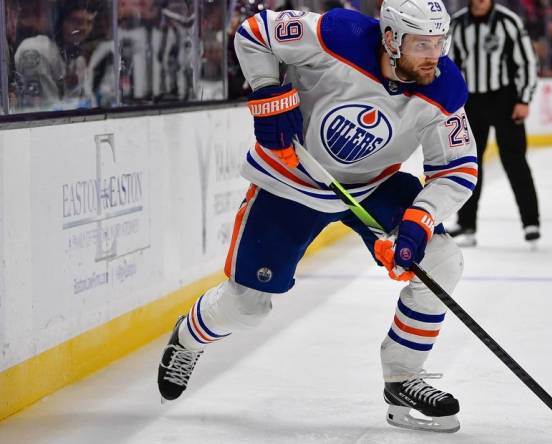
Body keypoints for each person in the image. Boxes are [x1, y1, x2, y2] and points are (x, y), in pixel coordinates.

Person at [157, 0, 478, 433]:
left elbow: (457, 168)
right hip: (289, 180)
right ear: (391, 38)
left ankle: (403, 375)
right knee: (247, 307)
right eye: (423, 43)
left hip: (373, 187)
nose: (434, 54)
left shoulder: (443, 87)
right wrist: (267, 89)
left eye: (440, 42)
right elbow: (254, 32)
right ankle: (190, 337)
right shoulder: (337, 36)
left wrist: (420, 219)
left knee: (440, 261)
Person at [448, 0, 540, 247]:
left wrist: (524, 99)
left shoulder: (508, 22)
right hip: (471, 102)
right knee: (469, 162)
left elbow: (527, 62)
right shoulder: (456, 24)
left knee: (515, 160)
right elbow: (449, 66)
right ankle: (466, 224)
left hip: (504, 99)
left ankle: (531, 222)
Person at [14, 1, 97, 111]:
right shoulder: (35, 51)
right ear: (59, 22)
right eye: (77, 21)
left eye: (89, 22)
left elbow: (89, 104)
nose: (84, 28)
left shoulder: (78, 61)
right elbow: (46, 110)